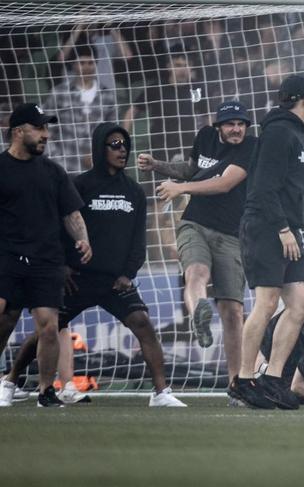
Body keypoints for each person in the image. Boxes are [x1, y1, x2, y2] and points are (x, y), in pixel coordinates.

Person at [2, 122, 187, 407]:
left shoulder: (135, 192)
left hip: (115, 281)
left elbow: (138, 239)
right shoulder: (80, 184)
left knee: (143, 323)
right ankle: (10, 381)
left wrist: (128, 272)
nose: (121, 150)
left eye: (124, 145)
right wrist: (62, 266)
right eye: (114, 144)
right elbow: (62, 226)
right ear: (101, 149)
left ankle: (161, 393)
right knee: (46, 331)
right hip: (78, 278)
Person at [138, 101, 256, 382]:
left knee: (233, 311)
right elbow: (192, 169)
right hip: (195, 223)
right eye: (230, 124)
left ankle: (235, 383)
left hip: (231, 233)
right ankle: (198, 314)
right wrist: (158, 166)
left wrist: (181, 188)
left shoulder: (252, 147)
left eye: (241, 124)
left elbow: (225, 183)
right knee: (196, 272)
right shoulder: (204, 137)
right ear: (218, 127)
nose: (237, 129)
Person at [228, 75, 304, 409]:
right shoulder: (280, 132)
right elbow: (264, 185)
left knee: (299, 306)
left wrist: (289, 229)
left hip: (287, 229)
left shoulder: (296, 133)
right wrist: (282, 228)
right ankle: (243, 379)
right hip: (268, 226)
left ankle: (273, 379)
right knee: (266, 303)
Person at [0, 103, 92, 407]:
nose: (46, 135)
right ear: (18, 132)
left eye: (46, 128)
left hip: (46, 259)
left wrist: (83, 239)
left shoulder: (53, 172)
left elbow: (71, 213)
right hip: (7, 257)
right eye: (39, 128)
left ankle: (45, 391)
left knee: (50, 327)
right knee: (4, 318)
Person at [43, 44, 118, 173]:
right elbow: (46, 130)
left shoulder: (107, 95)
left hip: (97, 169)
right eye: (82, 63)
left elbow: (113, 134)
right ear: (73, 64)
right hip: (64, 168)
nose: (87, 67)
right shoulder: (59, 93)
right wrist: (57, 161)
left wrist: (101, 156)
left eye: (91, 63)